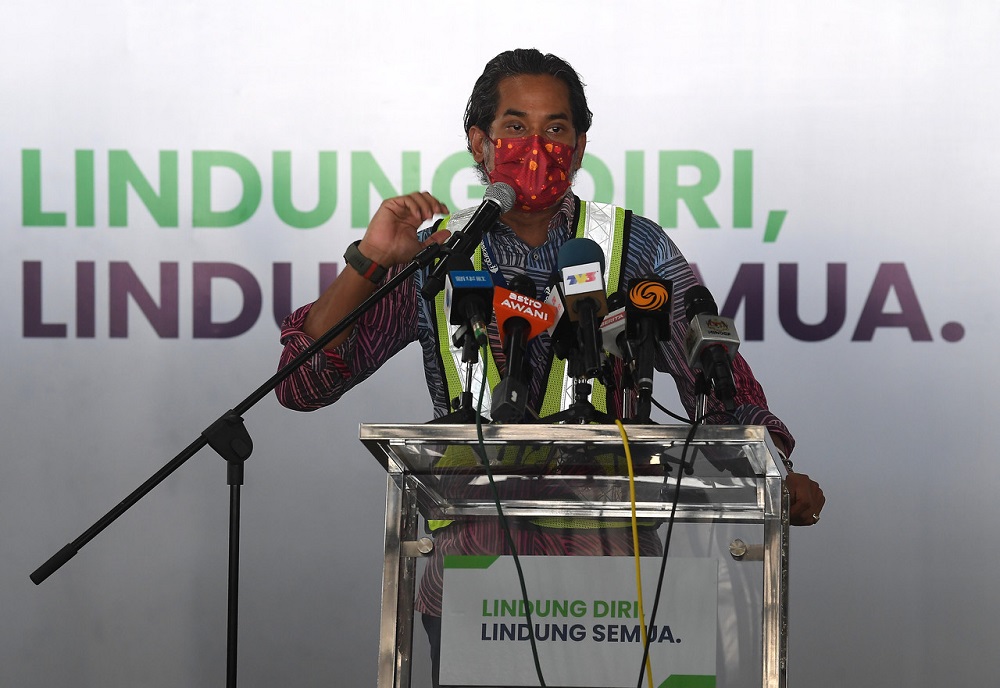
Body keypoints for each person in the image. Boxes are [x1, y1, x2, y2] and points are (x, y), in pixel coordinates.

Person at [276, 48, 825, 686]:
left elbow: (723, 386)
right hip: (473, 579)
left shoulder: (636, 247)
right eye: (514, 127)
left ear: (582, 143)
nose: (536, 146)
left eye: (556, 129)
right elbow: (303, 383)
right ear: (477, 142)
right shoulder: (438, 251)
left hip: (621, 585)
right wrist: (371, 259)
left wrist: (775, 473)